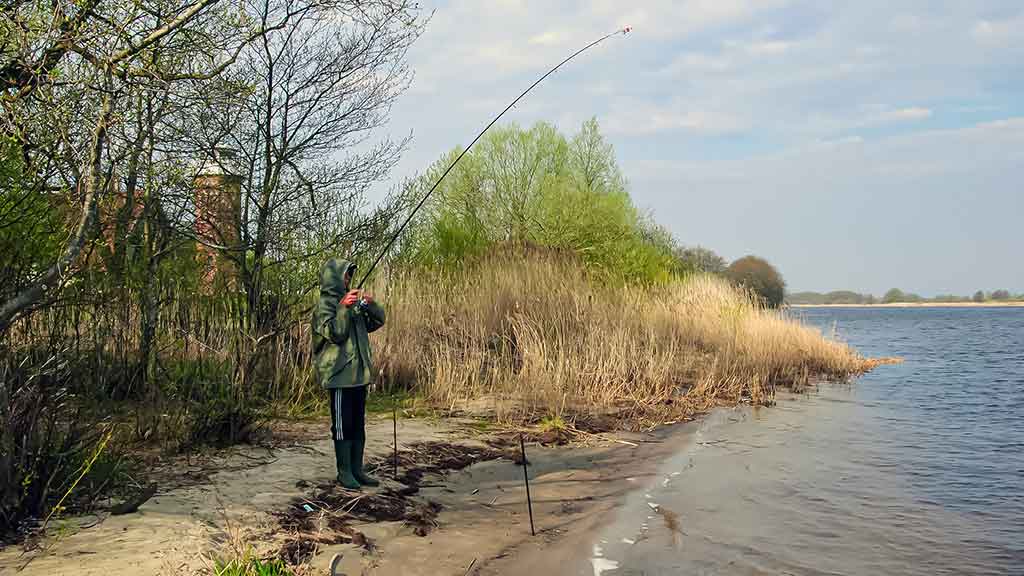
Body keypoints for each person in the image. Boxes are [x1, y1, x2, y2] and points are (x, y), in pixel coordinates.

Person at [312, 259, 386, 489]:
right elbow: (336, 333)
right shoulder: (324, 307)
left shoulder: (350, 302)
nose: (348, 279)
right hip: (339, 376)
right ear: (334, 278)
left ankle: (357, 469)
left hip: (358, 376)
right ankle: (344, 472)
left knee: (357, 424)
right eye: (345, 275)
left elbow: (376, 322)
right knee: (342, 426)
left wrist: (371, 305)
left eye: (349, 275)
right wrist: (343, 308)